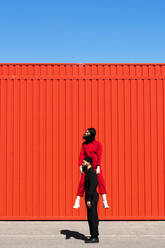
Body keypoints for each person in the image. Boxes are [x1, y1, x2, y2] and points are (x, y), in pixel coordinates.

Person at [73, 128, 109, 209]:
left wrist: (98, 166)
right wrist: (80, 165)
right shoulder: (84, 144)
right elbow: (81, 155)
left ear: (91, 134)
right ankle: (77, 201)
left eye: (87, 132)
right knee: (82, 183)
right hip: (87, 167)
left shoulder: (98, 144)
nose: (85, 133)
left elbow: (99, 156)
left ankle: (104, 201)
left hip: (95, 167)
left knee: (101, 182)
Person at [82, 156, 99, 243]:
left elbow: (92, 187)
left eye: (84, 162)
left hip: (92, 197)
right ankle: (93, 235)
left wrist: (88, 199)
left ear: (88, 163)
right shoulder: (88, 172)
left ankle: (95, 236)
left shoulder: (92, 173)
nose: (82, 163)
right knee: (90, 217)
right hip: (90, 197)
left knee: (93, 216)